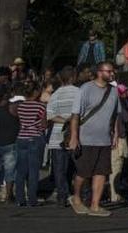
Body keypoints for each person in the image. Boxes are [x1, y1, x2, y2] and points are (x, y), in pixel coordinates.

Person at [67, 61, 120, 217]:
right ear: (99, 72)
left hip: (104, 138)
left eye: (112, 71)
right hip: (86, 138)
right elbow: (75, 115)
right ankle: (76, 198)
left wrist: (116, 133)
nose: (112, 74)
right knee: (83, 172)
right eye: (108, 71)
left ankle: (95, 205)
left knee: (101, 172)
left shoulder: (114, 91)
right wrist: (74, 137)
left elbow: (116, 115)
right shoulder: (86, 89)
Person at [45, 67, 79, 208]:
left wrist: (64, 120)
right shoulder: (79, 92)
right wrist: (72, 120)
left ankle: (62, 196)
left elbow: (50, 115)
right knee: (76, 168)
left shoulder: (55, 94)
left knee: (59, 169)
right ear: (73, 77)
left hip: (57, 137)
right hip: (75, 134)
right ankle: (75, 194)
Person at [13, 82, 47, 206]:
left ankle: (19, 198)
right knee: (33, 170)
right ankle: (32, 199)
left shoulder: (20, 106)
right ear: (36, 92)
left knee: (21, 170)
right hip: (34, 137)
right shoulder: (40, 106)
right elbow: (43, 124)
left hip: (21, 137)